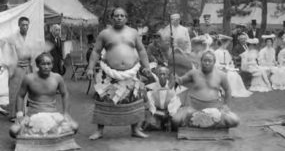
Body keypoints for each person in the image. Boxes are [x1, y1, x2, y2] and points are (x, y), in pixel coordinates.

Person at [86, 7, 151, 139]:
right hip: (109, 74)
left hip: (131, 73)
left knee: (134, 100)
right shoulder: (105, 34)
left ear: (126, 18)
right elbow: (96, 51)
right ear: (112, 18)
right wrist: (90, 67)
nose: (119, 18)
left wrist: (147, 66)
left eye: (122, 15)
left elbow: (141, 50)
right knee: (104, 100)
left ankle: (135, 129)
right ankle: (99, 131)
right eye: (116, 15)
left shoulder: (133, 33)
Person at [10, 53, 78, 139]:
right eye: (43, 64)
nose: (46, 67)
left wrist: (66, 113)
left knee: (74, 127)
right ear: (37, 65)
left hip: (53, 114)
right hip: (32, 115)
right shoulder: (29, 78)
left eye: (48, 64)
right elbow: (20, 95)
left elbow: (65, 94)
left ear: (52, 65)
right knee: (13, 131)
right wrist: (19, 115)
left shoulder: (57, 78)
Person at [170, 50, 240, 129]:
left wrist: (226, 105)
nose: (207, 63)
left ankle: (203, 123)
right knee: (176, 120)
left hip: (214, 109)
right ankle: (206, 123)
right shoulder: (193, 73)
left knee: (234, 120)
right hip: (194, 108)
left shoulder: (221, 75)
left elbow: (228, 90)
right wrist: (176, 79)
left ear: (214, 62)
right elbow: (180, 81)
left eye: (209, 61)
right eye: (205, 60)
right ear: (201, 61)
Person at [7, 17, 33, 120]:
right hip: (16, 68)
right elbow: (8, 54)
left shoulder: (30, 38)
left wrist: (30, 61)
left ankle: (22, 112)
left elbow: (33, 52)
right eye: (23, 25)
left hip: (27, 67)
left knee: (25, 90)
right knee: (15, 90)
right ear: (19, 25)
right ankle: (13, 114)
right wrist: (16, 62)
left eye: (27, 25)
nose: (25, 27)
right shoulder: (13, 38)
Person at [143, 66, 180, 131]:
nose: (162, 76)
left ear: (167, 76)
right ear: (157, 75)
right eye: (160, 74)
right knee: (151, 123)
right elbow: (151, 106)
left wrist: (170, 114)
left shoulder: (172, 88)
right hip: (157, 112)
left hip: (168, 112)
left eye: (164, 74)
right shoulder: (152, 88)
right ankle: (160, 123)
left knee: (176, 122)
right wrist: (154, 113)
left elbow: (174, 104)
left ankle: (167, 122)